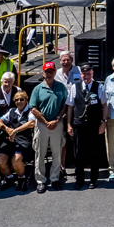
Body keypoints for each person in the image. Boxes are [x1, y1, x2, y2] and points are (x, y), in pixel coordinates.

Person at [30, 61, 71, 194]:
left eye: (51, 71)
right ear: (43, 73)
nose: (49, 74)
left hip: (57, 124)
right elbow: (33, 108)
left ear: (55, 72)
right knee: (40, 154)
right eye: (47, 71)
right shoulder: (37, 89)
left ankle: (54, 178)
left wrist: (57, 119)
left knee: (56, 153)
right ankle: (41, 181)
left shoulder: (61, 87)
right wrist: (46, 122)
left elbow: (65, 105)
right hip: (42, 125)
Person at [67, 64, 108, 190]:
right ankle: (79, 179)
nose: (86, 76)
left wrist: (103, 122)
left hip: (94, 125)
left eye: (88, 73)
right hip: (79, 125)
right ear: (81, 75)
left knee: (94, 153)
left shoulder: (99, 87)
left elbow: (105, 105)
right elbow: (70, 106)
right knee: (79, 153)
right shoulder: (75, 87)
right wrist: (69, 124)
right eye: (84, 74)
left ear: (92, 73)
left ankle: (93, 179)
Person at [0, 91, 36, 191]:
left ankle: (21, 178)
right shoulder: (12, 111)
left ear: (26, 100)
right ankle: (9, 178)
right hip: (10, 139)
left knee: (16, 159)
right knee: (0, 159)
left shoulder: (30, 111)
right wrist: (7, 129)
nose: (19, 101)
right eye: (16, 99)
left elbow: (31, 123)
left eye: (21, 99)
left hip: (24, 140)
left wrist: (15, 131)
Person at [54, 51, 81, 185]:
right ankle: (62, 168)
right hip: (61, 113)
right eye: (63, 60)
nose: (66, 62)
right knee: (61, 142)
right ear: (60, 61)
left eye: (68, 60)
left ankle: (78, 169)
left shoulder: (79, 71)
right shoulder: (57, 74)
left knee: (76, 142)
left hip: (76, 112)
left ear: (72, 60)